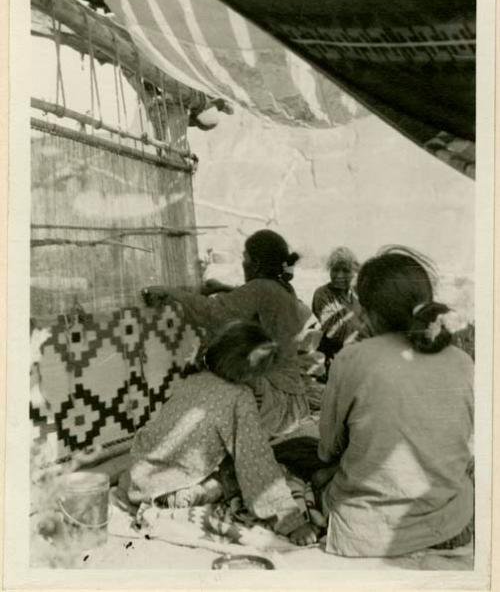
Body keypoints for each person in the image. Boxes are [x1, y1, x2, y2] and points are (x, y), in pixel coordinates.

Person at [317, 247, 474, 557]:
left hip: (364, 534)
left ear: (369, 312)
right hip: (450, 525)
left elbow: (327, 449)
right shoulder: (462, 360)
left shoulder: (351, 359)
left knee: (317, 473)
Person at [125, 321, 317, 546]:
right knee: (246, 475)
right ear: (251, 372)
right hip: (170, 486)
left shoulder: (193, 381)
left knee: (227, 462)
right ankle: (191, 494)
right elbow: (256, 463)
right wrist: (291, 521)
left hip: (140, 478)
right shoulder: (239, 398)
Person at [142, 229, 311, 439]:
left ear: (256, 263)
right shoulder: (283, 288)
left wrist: (171, 292)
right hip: (291, 396)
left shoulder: (260, 288)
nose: (243, 263)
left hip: (273, 400)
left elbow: (213, 313)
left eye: (245, 258)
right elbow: (257, 301)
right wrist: (224, 288)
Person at [311, 247, 368, 377]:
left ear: (353, 273)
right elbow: (334, 331)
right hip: (333, 362)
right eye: (335, 269)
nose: (339, 275)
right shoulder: (322, 294)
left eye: (345, 271)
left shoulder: (356, 296)